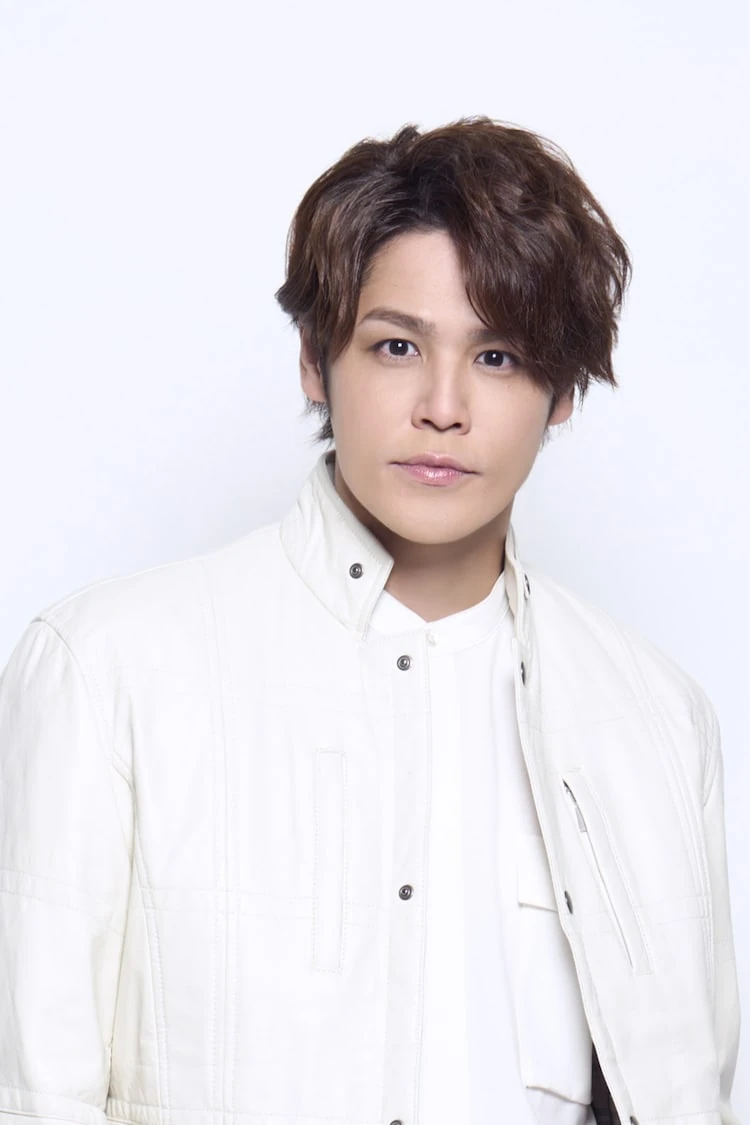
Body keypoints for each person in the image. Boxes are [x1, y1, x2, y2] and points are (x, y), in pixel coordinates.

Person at [0, 117, 740, 1125]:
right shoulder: (109, 670)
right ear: (317, 360)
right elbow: (32, 1091)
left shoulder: (658, 719)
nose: (443, 406)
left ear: (562, 392)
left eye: (499, 356)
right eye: (397, 345)